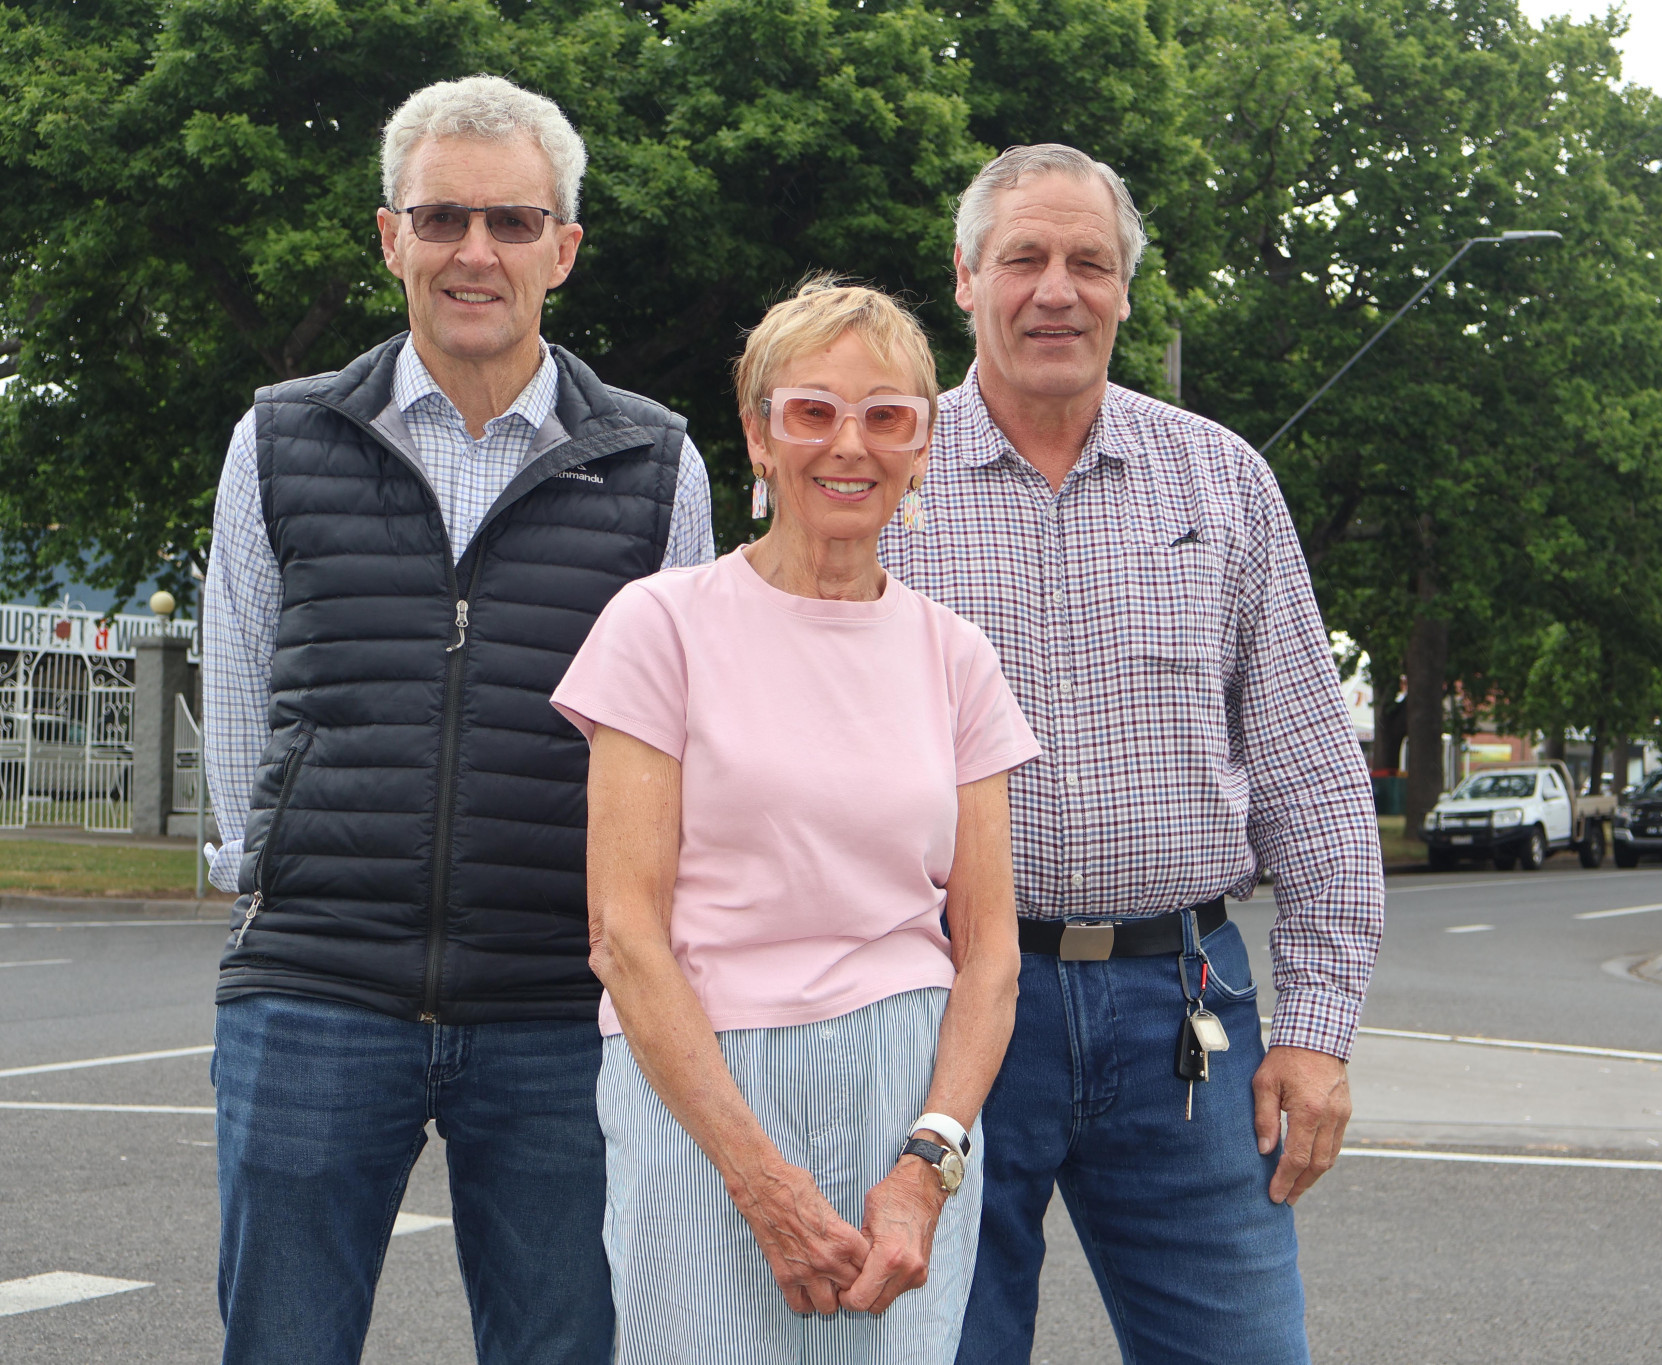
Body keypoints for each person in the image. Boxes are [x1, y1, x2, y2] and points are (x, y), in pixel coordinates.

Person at [202, 75, 712, 1364]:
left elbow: (684, 746)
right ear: (390, 238)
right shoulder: (279, 439)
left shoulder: (658, 467)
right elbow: (238, 686)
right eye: (440, 219)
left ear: (564, 249)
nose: (473, 251)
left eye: (511, 222)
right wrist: (261, 884)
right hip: (317, 992)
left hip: (561, 1008)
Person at [877, 145, 1384, 1364]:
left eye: (1087, 263)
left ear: (1122, 289)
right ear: (963, 278)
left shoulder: (1223, 482)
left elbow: (1312, 776)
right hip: (941, 1011)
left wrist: (1315, 1032)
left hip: (1182, 1015)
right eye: (1024, 259)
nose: (1056, 289)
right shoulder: (881, 474)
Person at [551, 278, 1040, 1364]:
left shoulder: (957, 659)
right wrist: (758, 1178)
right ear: (759, 437)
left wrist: (928, 1163)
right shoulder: (658, 627)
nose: (847, 445)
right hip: (701, 1091)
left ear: (921, 445)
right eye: (811, 411)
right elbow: (625, 937)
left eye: (886, 416)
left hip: (902, 1090)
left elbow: (991, 952)